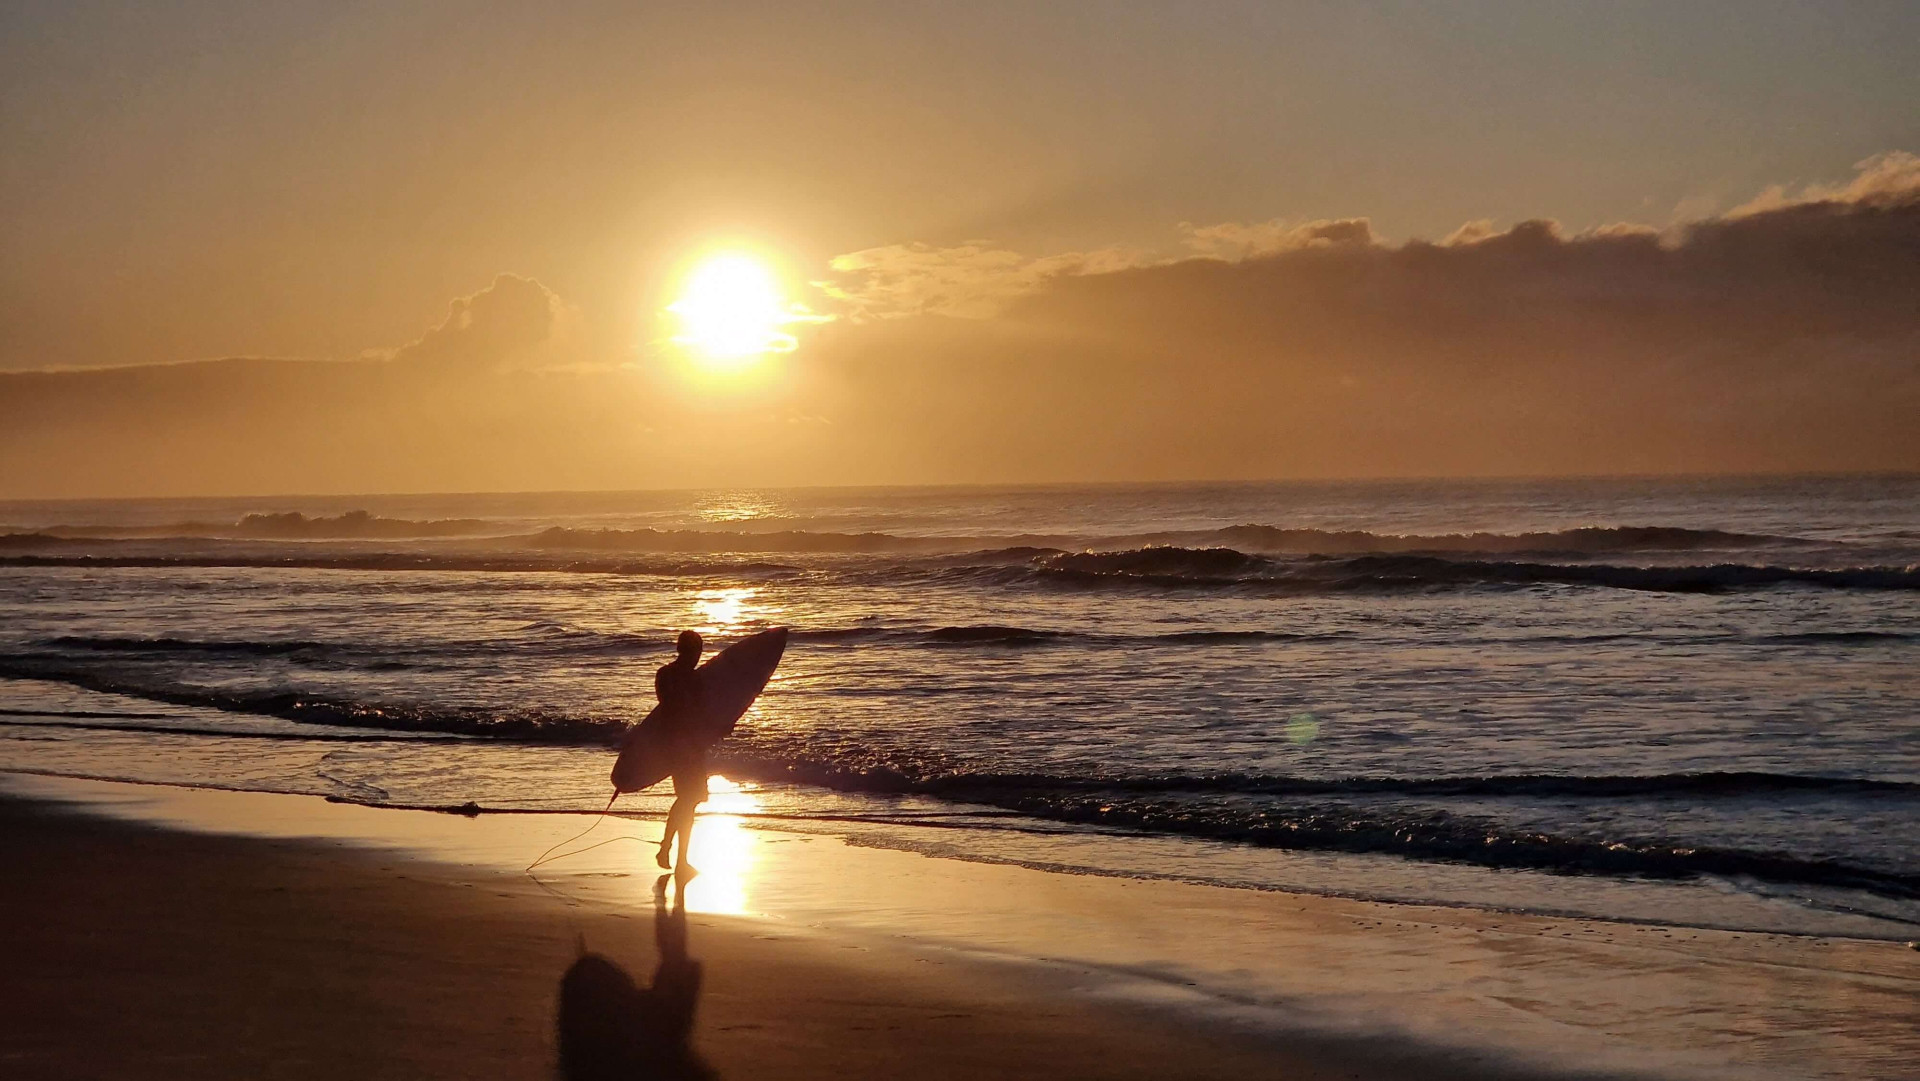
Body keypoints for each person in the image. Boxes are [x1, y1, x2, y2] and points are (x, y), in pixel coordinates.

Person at [653, 630, 709, 872]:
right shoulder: (689, 679)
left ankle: (676, 856)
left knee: (689, 800)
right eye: (696, 651)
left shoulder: (665, 675)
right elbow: (678, 710)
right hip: (683, 747)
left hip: (684, 746)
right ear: (686, 651)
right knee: (688, 799)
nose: (697, 657)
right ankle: (671, 851)